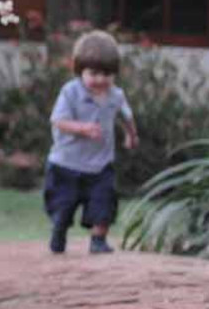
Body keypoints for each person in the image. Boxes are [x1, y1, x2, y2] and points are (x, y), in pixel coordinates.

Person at [44, 30, 140, 255]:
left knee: (104, 201)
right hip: (66, 164)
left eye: (107, 74)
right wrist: (83, 128)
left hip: (100, 165)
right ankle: (59, 229)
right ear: (80, 70)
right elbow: (58, 121)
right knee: (63, 205)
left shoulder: (116, 95)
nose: (100, 80)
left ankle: (98, 239)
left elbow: (126, 116)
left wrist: (131, 135)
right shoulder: (70, 92)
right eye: (94, 73)